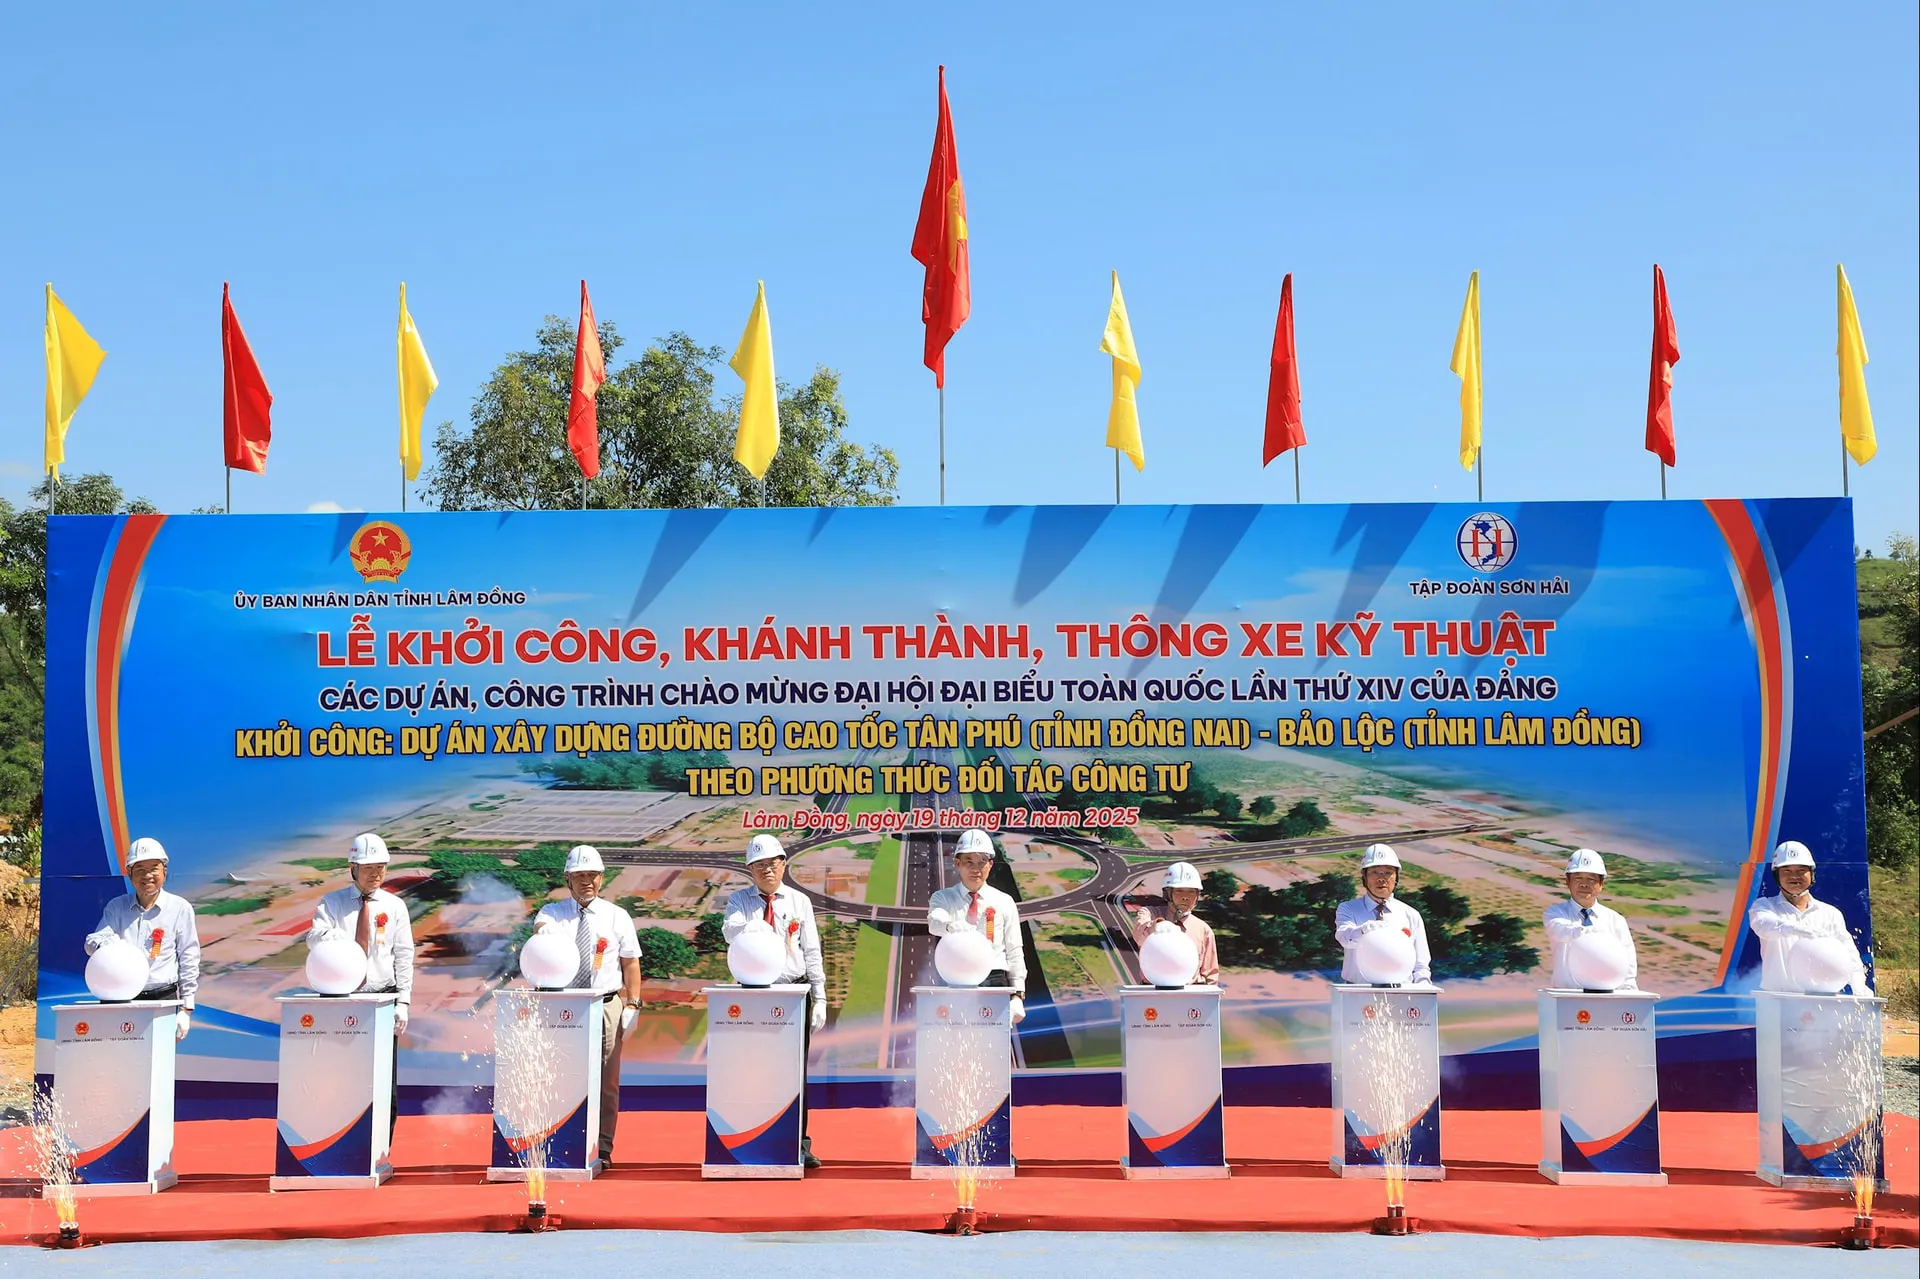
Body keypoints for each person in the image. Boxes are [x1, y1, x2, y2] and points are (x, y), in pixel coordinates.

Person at [531, 844, 644, 1168]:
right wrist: (544, 932)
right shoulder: (552, 913)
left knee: (606, 1081)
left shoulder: (616, 916)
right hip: (562, 1005)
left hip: (606, 1005)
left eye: (593, 875)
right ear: (567, 879)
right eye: (579, 875)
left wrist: (633, 1004)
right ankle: (557, 1143)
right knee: (560, 1076)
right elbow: (539, 929)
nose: (587, 882)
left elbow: (630, 963)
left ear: (602, 878)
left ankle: (602, 1149)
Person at [721, 833, 828, 1169]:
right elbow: (729, 931)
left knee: (795, 1075)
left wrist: (820, 996)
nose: (766, 870)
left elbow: (811, 950)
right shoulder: (739, 901)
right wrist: (756, 925)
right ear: (750, 870)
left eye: (772, 863)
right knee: (752, 1071)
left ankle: (798, 1144)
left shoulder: (799, 902)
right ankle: (752, 1142)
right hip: (752, 996)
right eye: (759, 865)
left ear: (783, 864)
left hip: (794, 993)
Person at [307, 833, 415, 1138]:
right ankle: (336, 1143)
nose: (376, 874)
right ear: (352, 868)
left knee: (383, 1081)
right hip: (341, 999)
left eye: (381, 868)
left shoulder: (394, 906)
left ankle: (381, 1150)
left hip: (382, 999)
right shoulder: (333, 903)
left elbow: (404, 955)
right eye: (369, 868)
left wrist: (403, 1002)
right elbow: (313, 937)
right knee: (340, 1078)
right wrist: (333, 937)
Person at [84, 837, 201, 1041]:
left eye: (153, 868)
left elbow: (188, 958)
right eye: (139, 869)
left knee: (159, 1057)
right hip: (121, 999)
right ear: (129, 874)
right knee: (119, 1056)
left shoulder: (179, 908)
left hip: (163, 999)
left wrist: (186, 1009)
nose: (147, 876)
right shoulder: (116, 907)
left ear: (164, 871)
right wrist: (108, 946)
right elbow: (92, 942)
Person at [927, 829, 1028, 1022]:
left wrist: (1018, 994)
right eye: (969, 861)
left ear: (990, 864)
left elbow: (1014, 949)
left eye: (982, 861)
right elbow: (935, 921)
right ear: (958, 863)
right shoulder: (943, 897)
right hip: (955, 979)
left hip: (994, 980)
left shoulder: (1004, 901)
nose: (976, 868)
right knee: (954, 1035)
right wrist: (950, 926)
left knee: (993, 1037)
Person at [1747, 840, 1869, 994]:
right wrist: (1793, 928)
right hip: (1776, 999)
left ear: (1812, 874)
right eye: (1786, 871)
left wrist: (1859, 985)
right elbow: (1763, 925)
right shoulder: (1764, 906)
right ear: (1777, 876)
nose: (1794, 876)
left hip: (1821, 999)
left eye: (1801, 870)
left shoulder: (1830, 914)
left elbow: (1848, 953)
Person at [1333, 843, 1432, 985]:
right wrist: (1363, 931)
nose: (1381, 878)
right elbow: (1344, 937)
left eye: (1388, 872)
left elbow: (1421, 964)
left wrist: (1423, 986)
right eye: (1374, 872)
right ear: (1364, 876)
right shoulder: (1348, 909)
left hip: (1401, 992)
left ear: (1396, 877)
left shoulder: (1411, 915)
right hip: (1358, 992)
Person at [1541, 848, 1639, 990]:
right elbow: (1561, 930)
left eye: (1591, 879)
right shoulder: (1555, 914)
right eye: (1578, 878)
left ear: (1601, 884)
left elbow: (1628, 967)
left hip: (1606, 998)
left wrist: (1630, 994)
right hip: (1565, 997)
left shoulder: (1616, 921)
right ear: (1567, 881)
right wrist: (1592, 934)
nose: (1584, 884)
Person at [1128, 860, 1220, 985]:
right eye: (1179, 890)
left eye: (1191, 891)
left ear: (1197, 895)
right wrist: (1157, 926)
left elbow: (1211, 977)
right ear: (1167, 894)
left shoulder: (1203, 930)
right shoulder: (1149, 913)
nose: (1185, 897)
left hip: (1192, 993)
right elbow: (1139, 935)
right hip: (1153, 991)